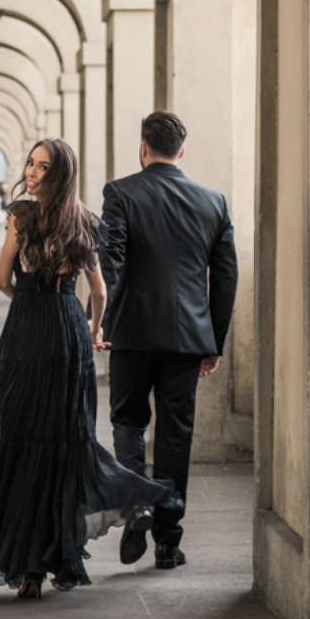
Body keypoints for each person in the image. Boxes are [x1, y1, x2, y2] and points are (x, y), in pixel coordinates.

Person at [0, 138, 166, 599]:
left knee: (20, 438)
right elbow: (99, 291)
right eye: (30, 163)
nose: (32, 172)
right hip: (69, 333)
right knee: (65, 441)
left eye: (42, 167)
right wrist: (91, 329)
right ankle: (115, 509)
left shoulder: (21, 217)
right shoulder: (85, 220)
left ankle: (26, 566)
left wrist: (26, 303)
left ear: (58, 174)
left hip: (26, 332)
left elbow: (2, 280)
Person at [99, 112, 238, 570]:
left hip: (134, 335)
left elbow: (111, 262)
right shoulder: (213, 202)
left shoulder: (121, 193)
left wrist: (103, 321)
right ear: (182, 150)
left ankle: (137, 503)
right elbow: (226, 277)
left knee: (128, 421)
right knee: (175, 437)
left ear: (143, 148)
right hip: (186, 338)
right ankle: (168, 540)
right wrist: (213, 341)